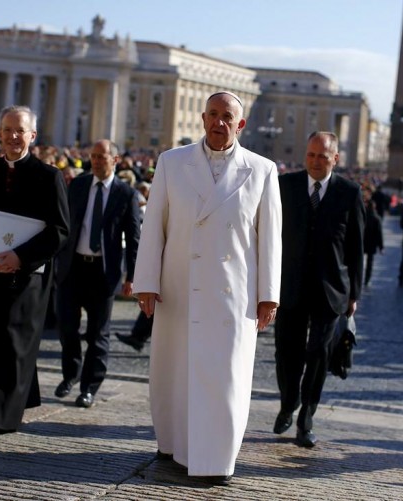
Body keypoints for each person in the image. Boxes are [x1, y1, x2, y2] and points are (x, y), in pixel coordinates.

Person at [132, 91, 282, 485]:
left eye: (226, 117)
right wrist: (146, 281)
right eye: (212, 115)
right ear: (202, 118)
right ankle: (174, 444)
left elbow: (271, 238)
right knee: (176, 372)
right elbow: (154, 229)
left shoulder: (263, 169)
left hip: (236, 296)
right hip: (180, 288)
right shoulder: (171, 162)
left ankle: (217, 458)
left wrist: (270, 294)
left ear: (240, 124)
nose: (218, 122)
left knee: (226, 377)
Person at [0, 105, 69, 433]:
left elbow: (60, 231)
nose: (13, 137)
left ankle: (2, 418)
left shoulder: (49, 177)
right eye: (7, 130)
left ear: (32, 136)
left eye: (20, 131)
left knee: (18, 341)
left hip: (30, 277)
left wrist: (20, 258)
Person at [273, 131, 364, 448]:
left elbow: (356, 246)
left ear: (335, 158)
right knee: (286, 352)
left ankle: (306, 419)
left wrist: (355, 294)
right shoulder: (285, 185)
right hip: (290, 284)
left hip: (330, 289)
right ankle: (288, 402)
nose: (315, 161)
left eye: (322, 156)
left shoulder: (349, 192)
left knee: (319, 354)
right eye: (311, 155)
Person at [54, 139, 141, 408]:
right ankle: (70, 374)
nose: (96, 161)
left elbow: (134, 236)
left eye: (102, 157)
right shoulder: (78, 185)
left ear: (115, 160)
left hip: (104, 271)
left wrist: (132, 276)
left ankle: (89, 387)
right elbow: (64, 224)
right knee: (67, 327)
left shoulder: (125, 193)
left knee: (98, 333)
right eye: (93, 156)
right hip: (73, 267)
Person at [363, 187, 383, 287]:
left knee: (359, 261)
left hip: (362, 242)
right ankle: (367, 279)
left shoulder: (362, 216)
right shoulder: (377, 219)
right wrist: (381, 246)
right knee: (369, 263)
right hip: (372, 244)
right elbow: (379, 233)